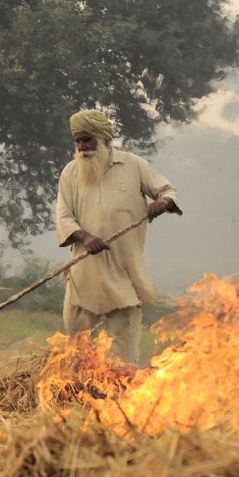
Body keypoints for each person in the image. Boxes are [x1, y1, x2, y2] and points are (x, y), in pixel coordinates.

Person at [55, 109, 182, 367]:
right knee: (76, 349)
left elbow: (168, 190)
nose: (82, 147)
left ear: (103, 138)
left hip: (124, 270)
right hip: (85, 271)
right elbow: (64, 216)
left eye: (87, 140)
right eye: (78, 141)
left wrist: (163, 202)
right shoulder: (70, 172)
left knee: (122, 355)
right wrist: (85, 236)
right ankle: (73, 394)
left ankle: (120, 396)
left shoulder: (133, 165)